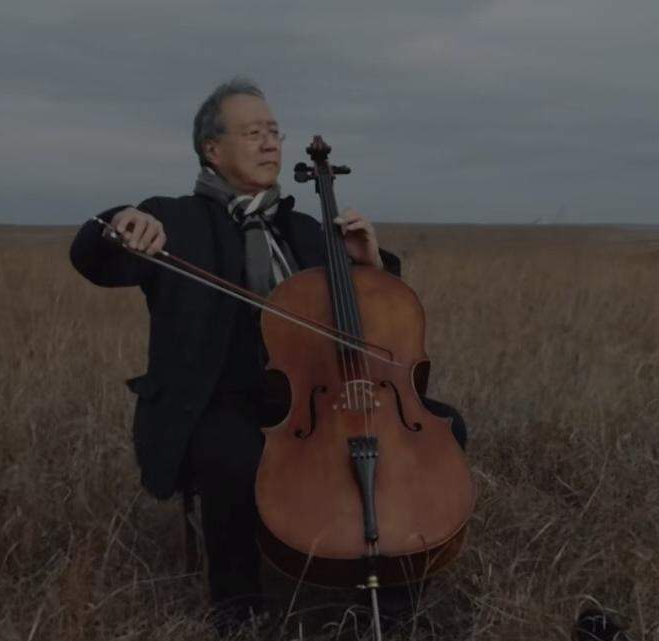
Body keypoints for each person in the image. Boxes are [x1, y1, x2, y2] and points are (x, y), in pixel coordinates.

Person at [69, 77, 467, 632]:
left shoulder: (310, 230)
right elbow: (98, 259)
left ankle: (393, 594)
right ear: (213, 148)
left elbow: (376, 325)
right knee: (230, 451)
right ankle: (239, 607)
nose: (271, 144)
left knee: (443, 428)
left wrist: (371, 265)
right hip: (220, 398)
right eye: (253, 133)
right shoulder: (172, 220)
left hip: (316, 398)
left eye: (275, 133)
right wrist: (119, 222)